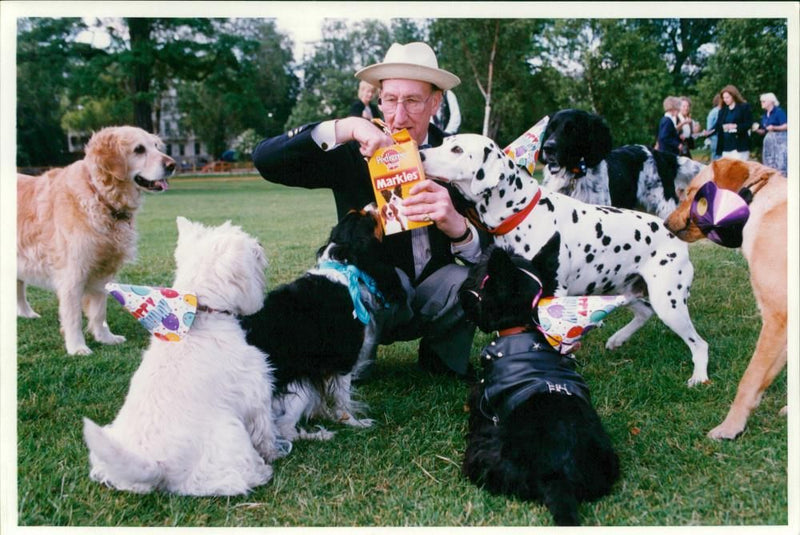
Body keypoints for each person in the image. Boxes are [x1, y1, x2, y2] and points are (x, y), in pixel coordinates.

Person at [252, 42, 481, 380]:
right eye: (390, 100)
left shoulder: (460, 155)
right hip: (369, 292)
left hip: (434, 286)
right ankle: (355, 360)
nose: (399, 116)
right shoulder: (354, 150)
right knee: (354, 373)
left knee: (467, 282)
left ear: (435, 102)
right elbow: (266, 159)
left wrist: (460, 229)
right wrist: (346, 128)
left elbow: (494, 250)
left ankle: (441, 357)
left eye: (413, 101)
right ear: (378, 99)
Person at [705, 85, 752, 161]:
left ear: (733, 96)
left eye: (727, 97)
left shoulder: (744, 107)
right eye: (724, 98)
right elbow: (718, 126)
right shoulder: (722, 111)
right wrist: (708, 132)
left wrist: (735, 126)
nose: (725, 100)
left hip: (739, 145)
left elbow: (748, 124)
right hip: (726, 146)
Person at [755, 92, 787, 174]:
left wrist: (774, 127)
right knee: (769, 164)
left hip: (780, 144)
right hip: (769, 145)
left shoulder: (779, 112)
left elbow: (786, 126)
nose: (761, 103)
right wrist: (758, 130)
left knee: (781, 165)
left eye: (763, 101)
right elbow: (765, 130)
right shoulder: (765, 115)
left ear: (770, 102)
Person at [705, 94, 722, 161]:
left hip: (715, 138)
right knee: (717, 157)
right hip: (715, 138)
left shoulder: (713, 111)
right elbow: (711, 127)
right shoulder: (716, 112)